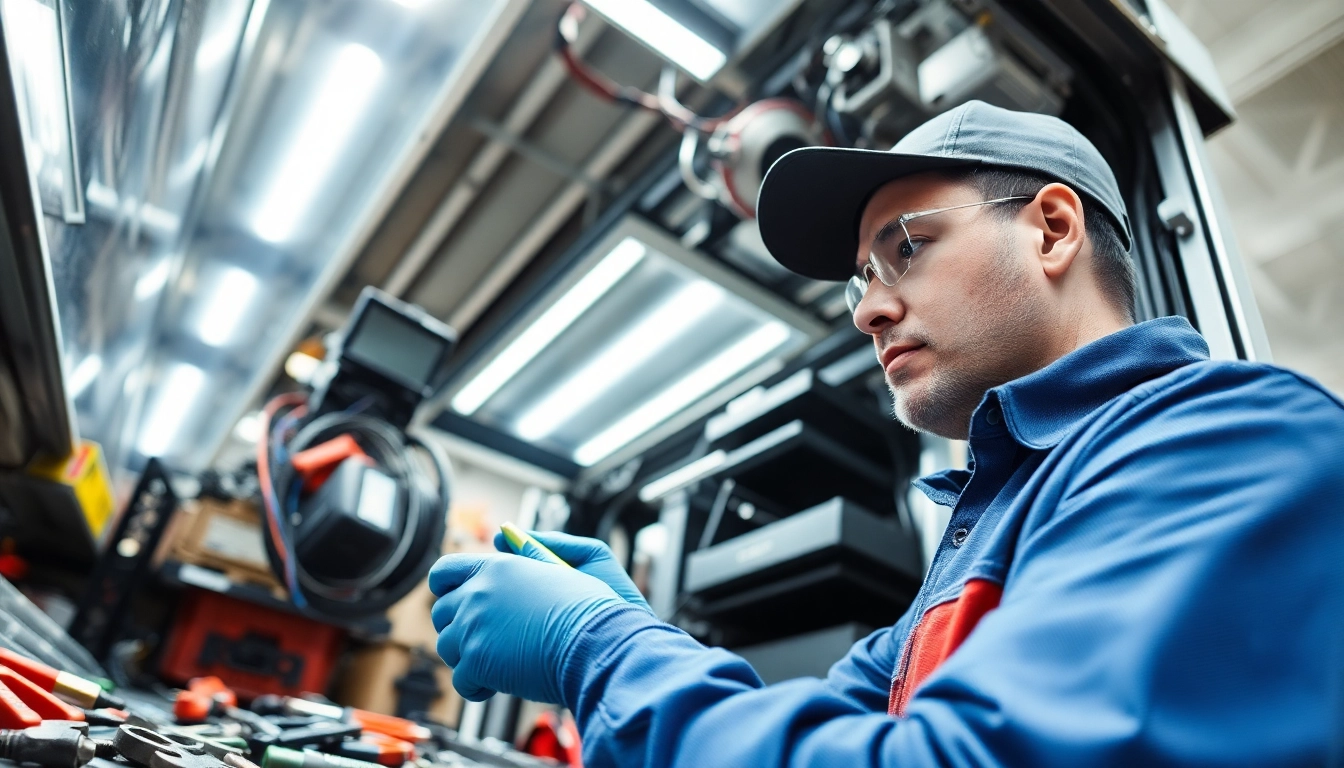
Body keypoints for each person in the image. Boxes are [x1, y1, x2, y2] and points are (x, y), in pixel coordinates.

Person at [427, 101, 1344, 766]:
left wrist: (595, 647)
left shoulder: (1231, 441)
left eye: (905, 246)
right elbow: (813, 736)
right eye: (861, 275)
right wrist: (633, 625)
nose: (869, 309)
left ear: (1053, 230)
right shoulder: (989, 533)